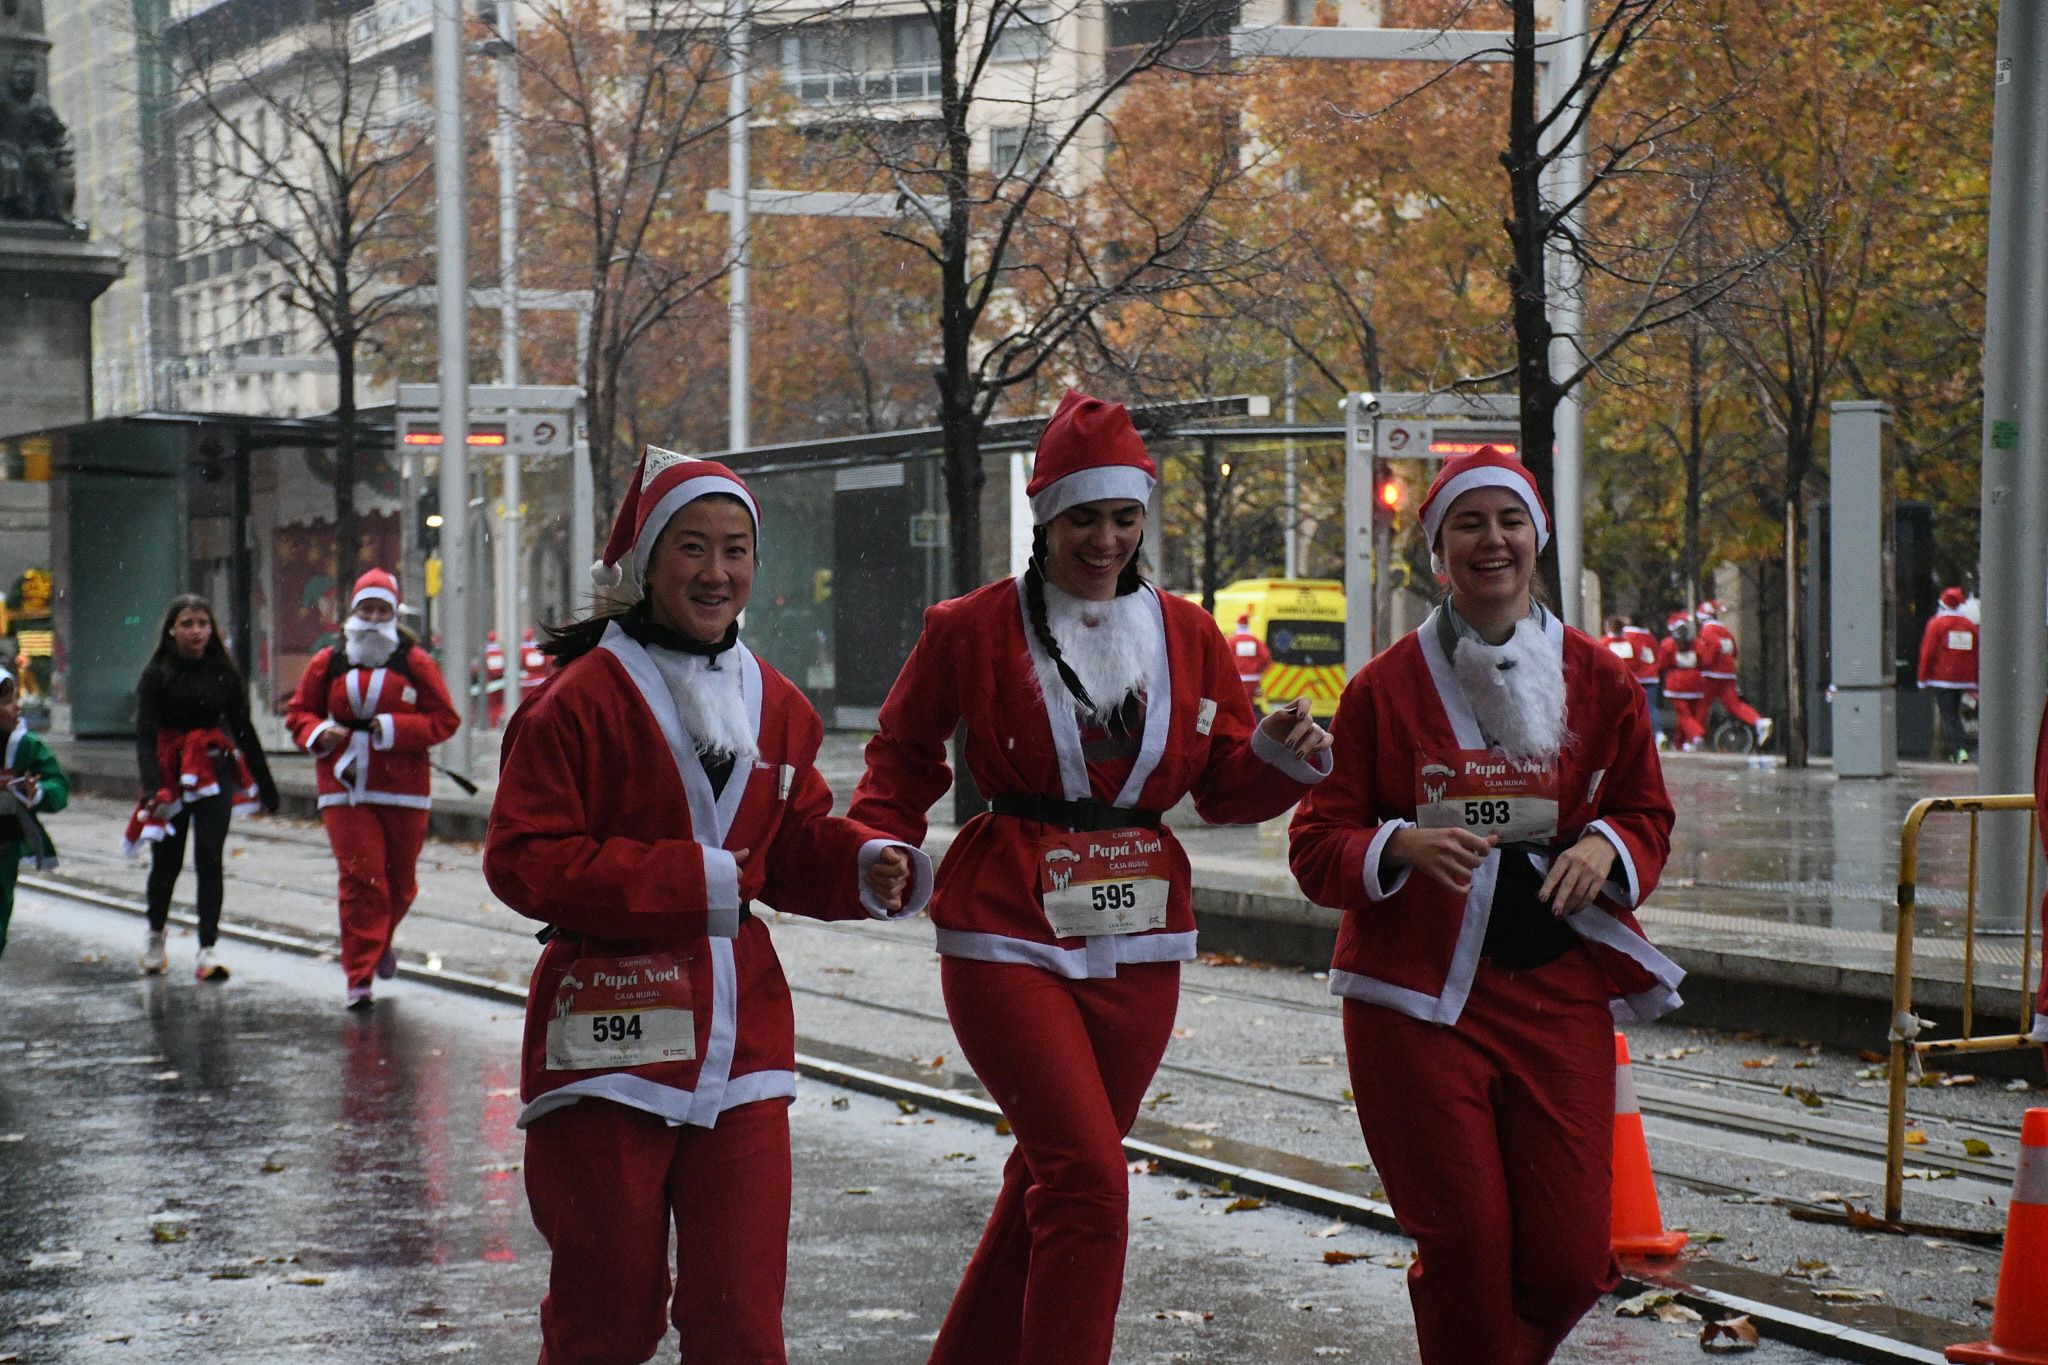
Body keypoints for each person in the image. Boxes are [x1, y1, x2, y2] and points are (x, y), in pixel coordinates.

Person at [850, 390, 1333, 1365]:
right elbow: (900, 754)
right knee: (1087, 1183)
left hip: (1138, 940)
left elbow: (1224, 789)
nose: (1105, 539)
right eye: (1083, 518)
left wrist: (1282, 756)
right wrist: (877, 842)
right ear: (1046, 520)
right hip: (1004, 929)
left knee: (1054, 1176)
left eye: (1122, 518)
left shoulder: (1188, 635)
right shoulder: (971, 627)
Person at [484, 448, 932, 1365]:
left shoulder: (776, 702)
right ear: (647, 563)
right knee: (605, 1320)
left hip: (742, 1047)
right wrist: (696, 880)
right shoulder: (573, 704)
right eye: (692, 547)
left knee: (741, 1321)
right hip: (609, 1043)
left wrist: (864, 862)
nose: (716, 571)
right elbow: (523, 859)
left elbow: (793, 840)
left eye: (736, 549)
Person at [1288, 445, 1679, 1365]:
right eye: (1468, 523)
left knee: (1574, 1261)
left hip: (1556, 999)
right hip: (1418, 1004)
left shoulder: (1602, 678)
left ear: (1536, 540)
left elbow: (1645, 811)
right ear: (1438, 550)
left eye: (1509, 521)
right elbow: (1315, 843)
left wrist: (1604, 845)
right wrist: (1398, 845)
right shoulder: (1383, 689)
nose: (1491, 541)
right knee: (1466, 1245)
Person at [286, 569, 461, 1009]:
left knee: (400, 885)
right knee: (363, 878)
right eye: (367, 608)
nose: (373, 616)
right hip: (344, 785)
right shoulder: (328, 661)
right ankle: (358, 976)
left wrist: (392, 728)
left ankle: (379, 940)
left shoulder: (415, 661)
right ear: (354, 611)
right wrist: (318, 732)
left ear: (393, 613)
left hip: (403, 787)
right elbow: (298, 714)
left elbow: (444, 721)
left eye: (382, 609)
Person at [134, 594, 278, 979]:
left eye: (202, 624)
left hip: (214, 772)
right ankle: (154, 933)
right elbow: (146, 735)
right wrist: (151, 786)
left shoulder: (224, 674)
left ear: (211, 629)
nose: (195, 631)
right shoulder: (156, 675)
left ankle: (207, 947)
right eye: (187, 624)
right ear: (171, 629)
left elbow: (243, 729)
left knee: (210, 857)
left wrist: (265, 783)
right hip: (170, 772)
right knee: (167, 859)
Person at [0, 666, 66, 963]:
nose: (17, 707)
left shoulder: (26, 746)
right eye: (6, 701)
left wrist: (36, 793)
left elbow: (58, 784)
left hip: (6, 848)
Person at [1696, 600, 1773, 747]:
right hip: (1728, 673)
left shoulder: (1707, 631)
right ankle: (1758, 721)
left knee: (1702, 705)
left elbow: (1714, 647)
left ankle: (1696, 737)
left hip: (1712, 674)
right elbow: (1734, 652)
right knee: (1734, 705)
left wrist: (1704, 662)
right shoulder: (1726, 631)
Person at [1916, 586, 1978, 762]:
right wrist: (1974, 680)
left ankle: (1959, 750)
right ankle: (1958, 749)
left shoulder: (1937, 624)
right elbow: (1975, 654)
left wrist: (1923, 679)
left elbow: (1927, 652)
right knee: (1955, 715)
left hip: (1942, 679)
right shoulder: (1969, 626)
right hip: (1964, 680)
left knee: (1948, 716)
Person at [1657, 613, 1708, 752]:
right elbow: (1704, 661)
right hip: (1695, 682)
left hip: (1677, 683)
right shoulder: (1697, 643)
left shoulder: (1668, 644)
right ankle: (1680, 744)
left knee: (1684, 715)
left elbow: (1662, 664)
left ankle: (1697, 736)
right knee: (1687, 715)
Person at [1228, 610, 1271, 711]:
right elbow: (1266, 657)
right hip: (1252, 679)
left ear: (1237, 625)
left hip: (1237, 678)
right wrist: (1258, 670)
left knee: (1236, 704)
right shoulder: (1255, 641)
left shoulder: (1232, 641)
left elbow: (1223, 658)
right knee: (1248, 703)